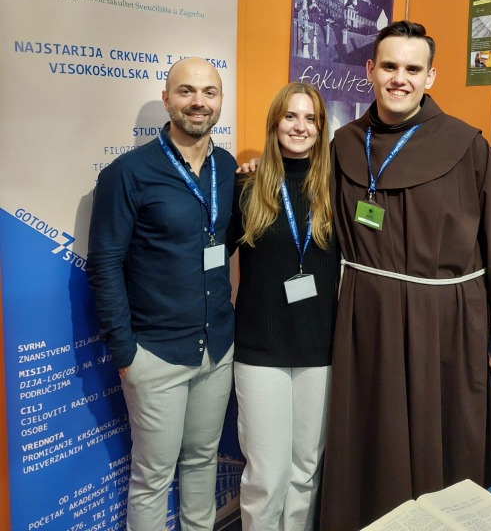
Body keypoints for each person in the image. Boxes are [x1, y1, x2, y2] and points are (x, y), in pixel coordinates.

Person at [319, 21, 491, 531]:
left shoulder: (465, 145)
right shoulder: (345, 143)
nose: (400, 79)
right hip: (366, 318)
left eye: (412, 69)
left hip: (443, 323)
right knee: (371, 435)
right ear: (370, 70)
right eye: (389, 66)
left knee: (443, 439)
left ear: (430, 76)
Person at [86, 57, 237, 531]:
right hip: (156, 354)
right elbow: (104, 265)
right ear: (168, 99)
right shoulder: (128, 173)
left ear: (220, 101)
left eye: (209, 92)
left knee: (203, 460)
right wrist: (126, 353)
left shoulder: (227, 167)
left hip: (217, 349)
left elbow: (224, 241)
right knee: (152, 477)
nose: (199, 102)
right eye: (186, 91)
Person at [227, 82, 339, 531]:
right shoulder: (246, 186)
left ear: (322, 127)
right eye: (290, 116)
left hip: (320, 349)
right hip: (260, 349)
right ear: (275, 122)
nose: (300, 127)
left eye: (310, 118)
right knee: (265, 476)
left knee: (305, 470)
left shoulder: (336, 189)